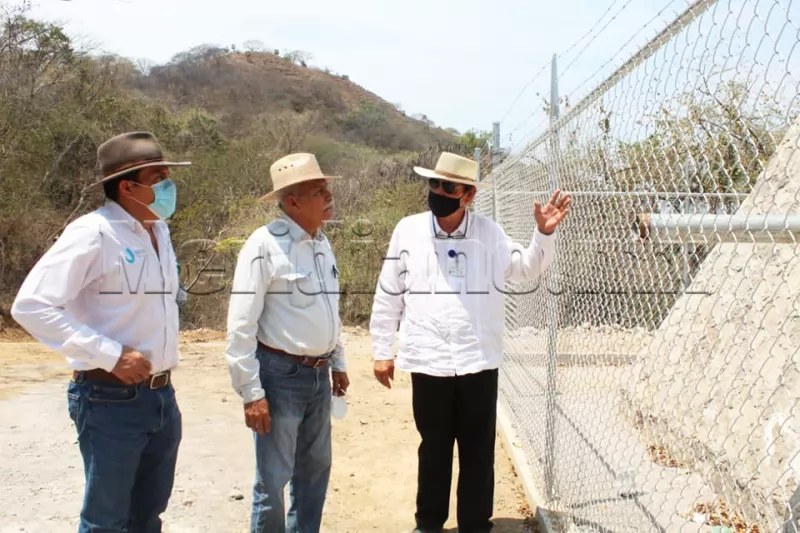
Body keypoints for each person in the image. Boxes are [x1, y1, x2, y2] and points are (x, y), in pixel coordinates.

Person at [369, 152, 571, 533]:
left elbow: (526, 268)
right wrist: (382, 350)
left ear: (468, 195)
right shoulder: (408, 231)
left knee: (478, 450)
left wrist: (543, 233)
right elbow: (388, 293)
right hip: (428, 360)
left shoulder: (489, 234)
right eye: (433, 183)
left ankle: (476, 524)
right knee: (434, 447)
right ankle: (428, 522)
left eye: (448, 187)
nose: (437, 192)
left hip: (477, 360)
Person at [11, 131, 191, 532]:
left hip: (161, 398)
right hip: (110, 399)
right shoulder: (93, 233)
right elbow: (32, 306)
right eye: (159, 177)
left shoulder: (158, 231)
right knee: (105, 521)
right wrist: (111, 355)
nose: (169, 186)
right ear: (128, 187)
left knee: (148, 516)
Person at [224, 152, 350, 533]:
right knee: (273, 479)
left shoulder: (321, 243)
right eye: (318, 190)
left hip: (318, 375)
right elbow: (240, 324)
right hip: (280, 377)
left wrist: (338, 360)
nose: (328, 196)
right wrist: (251, 392)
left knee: (315, 471)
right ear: (292, 201)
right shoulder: (263, 246)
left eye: (327, 188)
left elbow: (329, 308)